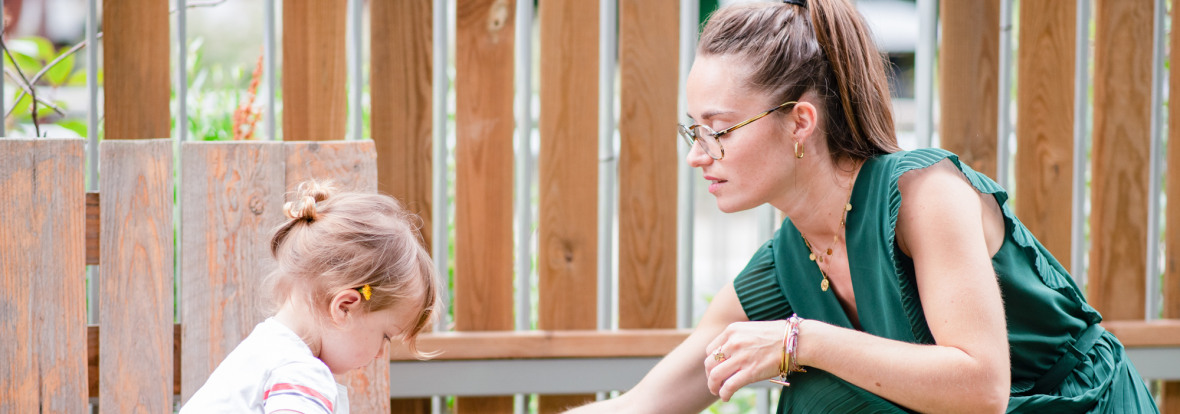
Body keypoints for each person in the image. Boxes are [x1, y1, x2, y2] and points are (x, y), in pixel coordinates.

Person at [568, 0, 1158, 412]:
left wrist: (803, 341)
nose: (699, 156)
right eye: (693, 130)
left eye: (718, 129)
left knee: (818, 394)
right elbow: (644, 405)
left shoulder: (923, 196)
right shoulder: (783, 267)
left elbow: (982, 388)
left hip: (1087, 406)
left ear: (800, 122)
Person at [180, 181, 439, 414]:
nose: (382, 353)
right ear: (345, 307)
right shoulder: (300, 372)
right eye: (386, 336)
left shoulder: (265, 352)